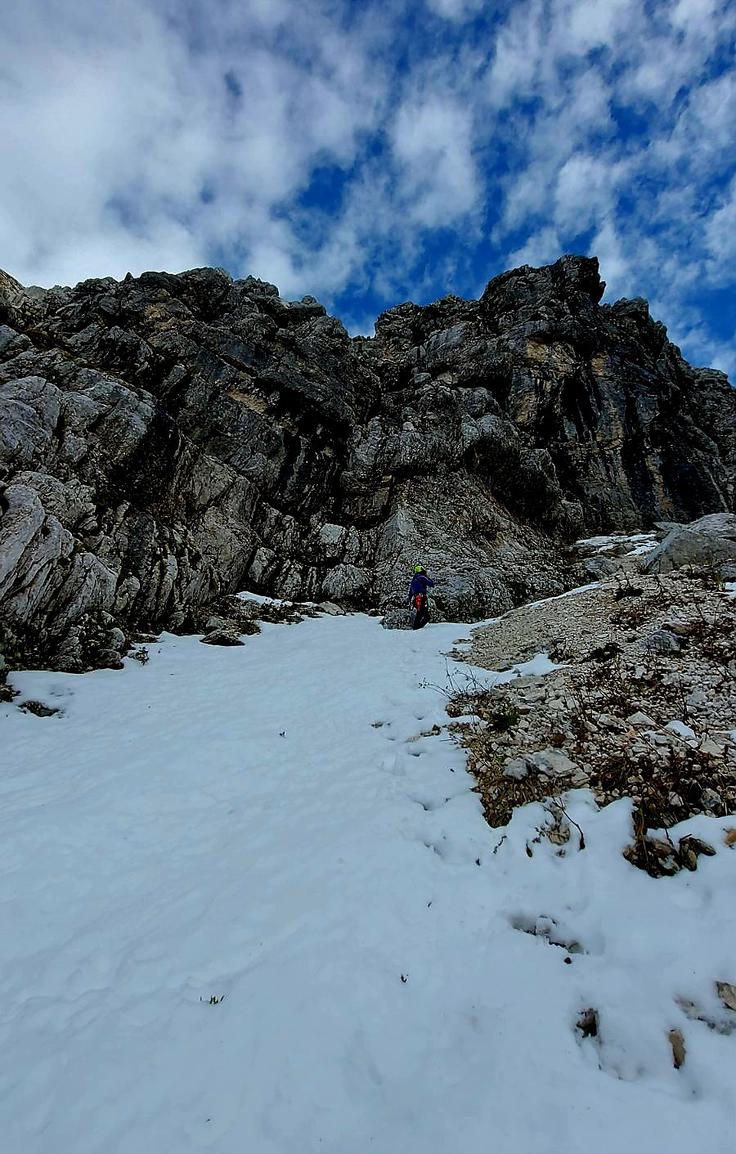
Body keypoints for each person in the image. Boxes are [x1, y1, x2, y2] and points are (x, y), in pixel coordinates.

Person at [407, 564, 434, 630]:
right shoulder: (422, 577)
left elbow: (410, 593)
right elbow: (431, 584)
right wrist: (428, 577)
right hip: (421, 597)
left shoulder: (413, 580)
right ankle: (417, 627)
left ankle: (417, 627)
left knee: (421, 612)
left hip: (415, 598)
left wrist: (409, 601)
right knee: (425, 615)